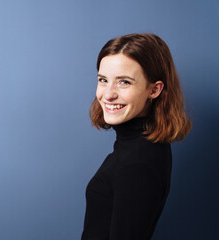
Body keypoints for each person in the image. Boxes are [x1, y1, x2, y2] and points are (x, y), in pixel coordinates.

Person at [81, 33, 191, 240]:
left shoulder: (138, 162)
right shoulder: (136, 146)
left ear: (155, 90)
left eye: (124, 82)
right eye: (103, 80)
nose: (108, 94)